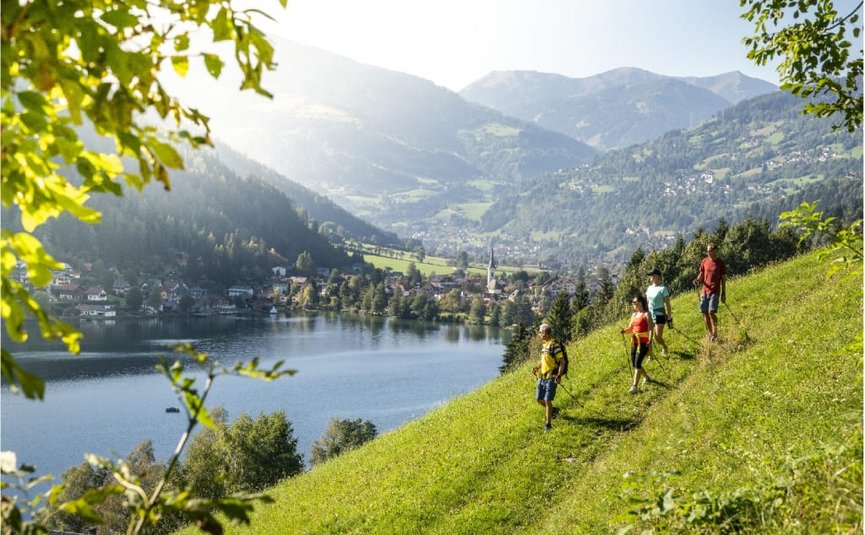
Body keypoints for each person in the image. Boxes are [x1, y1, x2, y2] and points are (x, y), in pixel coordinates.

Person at [531, 323, 566, 433]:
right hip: (542, 377)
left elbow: (562, 361)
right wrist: (537, 367)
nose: (539, 334)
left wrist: (559, 376)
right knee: (538, 399)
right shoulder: (545, 344)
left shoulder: (554, 345)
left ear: (545, 333)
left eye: (540, 332)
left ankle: (548, 425)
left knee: (547, 400)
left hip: (552, 377)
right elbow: (544, 360)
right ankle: (553, 411)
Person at [693, 243, 727, 342]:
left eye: (710, 251)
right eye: (707, 251)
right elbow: (702, 273)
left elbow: (723, 279)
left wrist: (724, 293)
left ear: (715, 250)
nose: (709, 253)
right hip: (704, 290)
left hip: (715, 291)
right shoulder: (705, 261)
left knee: (711, 312)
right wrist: (697, 280)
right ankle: (710, 333)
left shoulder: (721, 263)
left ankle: (715, 333)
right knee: (705, 312)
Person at [621, 294, 653, 394]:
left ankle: (634, 386)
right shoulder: (634, 315)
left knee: (638, 363)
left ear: (640, 303)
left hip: (643, 342)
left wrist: (650, 341)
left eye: (634, 302)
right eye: (633, 302)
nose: (633, 304)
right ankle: (647, 377)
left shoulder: (646, 314)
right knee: (635, 364)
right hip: (634, 341)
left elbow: (651, 328)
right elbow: (631, 328)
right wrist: (624, 331)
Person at [646, 269, 672, 356]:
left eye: (652, 275)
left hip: (659, 314)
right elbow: (648, 302)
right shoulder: (649, 288)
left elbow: (668, 305)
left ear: (658, 277)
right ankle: (650, 356)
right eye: (650, 275)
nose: (651, 276)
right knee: (648, 337)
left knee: (657, 337)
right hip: (650, 314)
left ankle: (664, 347)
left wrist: (669, 317)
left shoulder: (663, 289)